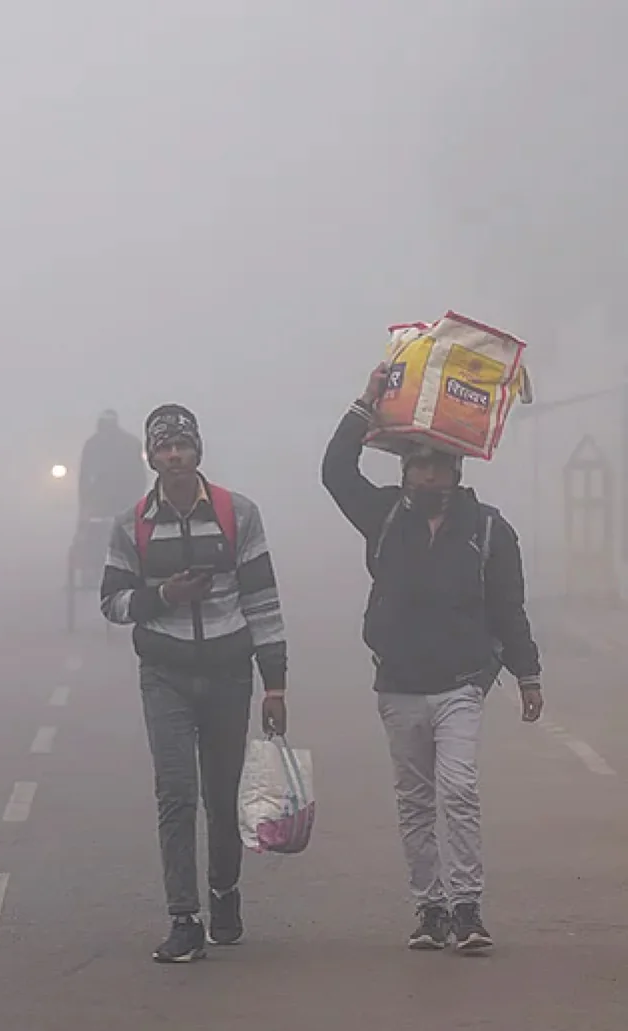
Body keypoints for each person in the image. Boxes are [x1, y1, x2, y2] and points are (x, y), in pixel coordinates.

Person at [321, 363, 544, 954]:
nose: (427, 472)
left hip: (461, 684)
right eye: (417, 463)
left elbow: (508, 607)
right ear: (405, 470)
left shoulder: (490, 530)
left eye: (437, 463)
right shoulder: (385, 516)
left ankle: (468, 907)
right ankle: (431, 908)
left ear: (455, 468)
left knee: (460, 789)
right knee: (415, 800)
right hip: (397, 684)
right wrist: (365, 402)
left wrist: (528, 673)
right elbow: (335, 473)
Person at [100, 403, 289, 963]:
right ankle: (183, 918)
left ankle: (225, 895)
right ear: (152, 458)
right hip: (166, 675)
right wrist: (163, 598)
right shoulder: (131, 524)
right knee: (175, 796)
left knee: (222, 797)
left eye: (183, 445)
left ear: (198, 451)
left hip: (230, 674)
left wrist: (274, 684)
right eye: (164, 447)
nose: (175, 455)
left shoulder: (238, 514)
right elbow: (112, 602)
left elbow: (263, 601)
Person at [78, 409, 147, 523]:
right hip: (106, 501)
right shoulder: (93, 444)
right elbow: (84, 476)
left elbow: (139, 474)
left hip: (117, 500)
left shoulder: (129, 443)